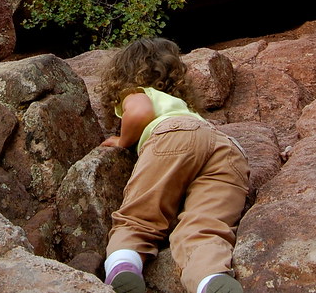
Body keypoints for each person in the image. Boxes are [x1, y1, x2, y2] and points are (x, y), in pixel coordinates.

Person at [97, 37, 250, 293]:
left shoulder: (138, 93)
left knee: (139, 218)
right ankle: (210, 279)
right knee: (206, 227)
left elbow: (139, 113)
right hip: (227, 147)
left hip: (173, 137)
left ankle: (123, 268)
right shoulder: (182, 106)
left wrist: (123, 140)